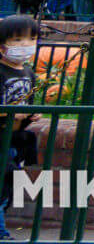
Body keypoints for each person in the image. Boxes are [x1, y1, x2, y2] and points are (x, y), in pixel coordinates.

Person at [0, 14, 42, 241]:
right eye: (17, 40)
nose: (25, 45)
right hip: (1, 136)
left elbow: (27, 102)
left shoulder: (28, 73)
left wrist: (30, 116)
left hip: (16, 138)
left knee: (9, 185)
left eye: (31, 39)